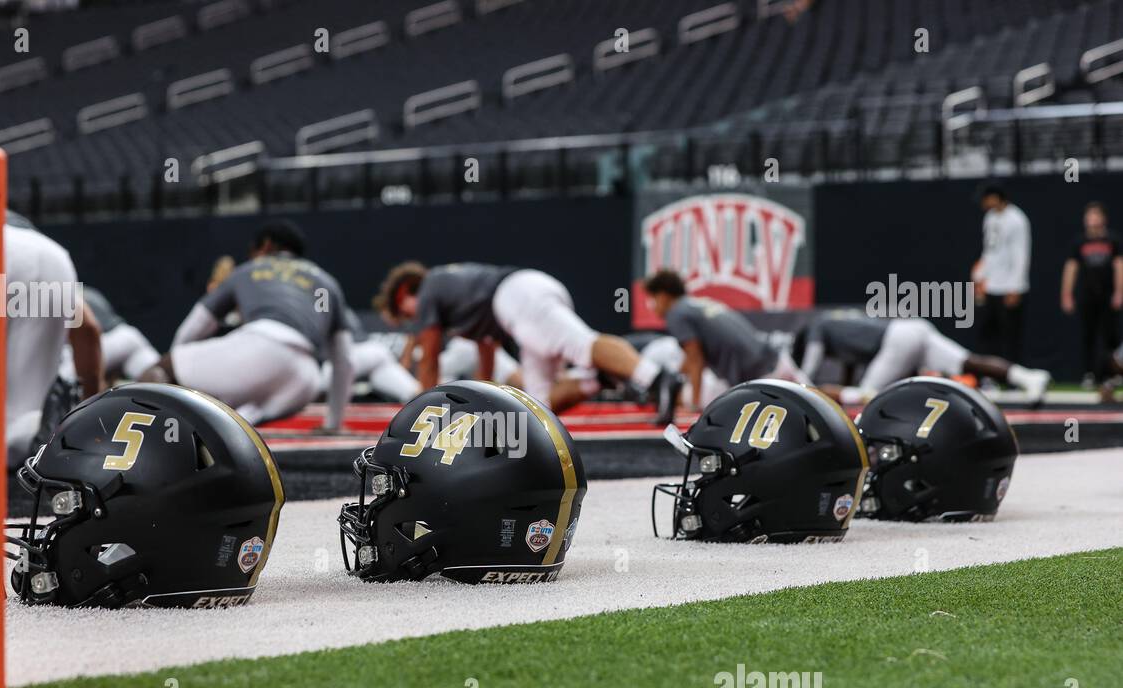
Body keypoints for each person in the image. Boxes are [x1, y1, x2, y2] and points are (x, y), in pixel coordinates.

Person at [374, 262, 677, 417]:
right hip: (518, 298)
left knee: (582, 343)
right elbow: (487, 350)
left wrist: (423, 415)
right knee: (539, 407)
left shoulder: (430, 289)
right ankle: (597, 378)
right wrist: (484, 403)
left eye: (405, 315)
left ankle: (656, 377)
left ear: (403, 294)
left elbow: (428, 360)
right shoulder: (455, 290)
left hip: (517, 296)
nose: (411, 322)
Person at [141, 220, 352, 429]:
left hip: (259, 351)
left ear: (266, 245)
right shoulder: (327, 283)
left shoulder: (249, 269)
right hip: (306, 379)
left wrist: (176, 372)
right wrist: (333, 424)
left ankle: (126, 432)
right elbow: (344, 361)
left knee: (163, 369)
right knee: (238, 417)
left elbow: (193, 328)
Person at [4, 214, 104, 468]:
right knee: (23, 419)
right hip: (52, 256)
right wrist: (93, 418)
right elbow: (88, 328)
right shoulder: (35, 241)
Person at [642, 270, 807, 414]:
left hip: (760, 380)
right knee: (822, 405)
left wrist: (694, 404)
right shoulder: (698, 303)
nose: (651, 306)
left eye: (652, 298)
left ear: (663, 296)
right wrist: (679, 372)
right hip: (778, 362)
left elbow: (696, 359)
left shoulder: (676, 314)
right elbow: (694, 358)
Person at [798, 312, 1050, 405]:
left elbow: (810, 365)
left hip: (896, 338)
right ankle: (1028, 377)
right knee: (968, 361)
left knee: (868, 396)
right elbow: (849, 368)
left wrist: (802, 390)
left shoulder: (817, 325)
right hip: (912, 328)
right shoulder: (838, 327)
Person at [1061, 201, 1123, 398]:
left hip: (1108, 294)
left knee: (1110, 336)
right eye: (1089, 216)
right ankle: (1089, 374)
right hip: (1088, 295)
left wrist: (1120, 291)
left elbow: (1119, 266)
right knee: (1088, 335)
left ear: (1103, 218)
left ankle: (1113, 375)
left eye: (1095, 216)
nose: (1092, 220)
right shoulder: (1080, 242)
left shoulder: (1112, 240)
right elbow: (1071, 268)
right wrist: (1066, 294)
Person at [973, 183, 1031, 362]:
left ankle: (1012, 377)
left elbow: (1021, 253)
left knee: (1010, 335)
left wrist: (1015, 287)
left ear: (996, 198)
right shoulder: (990, 218)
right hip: (991, 284)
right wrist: (979, 277)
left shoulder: (1016, 219)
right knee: (988, 333)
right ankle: (991, 375)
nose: (983, 204)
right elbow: (989, 250)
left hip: (1009, 286)